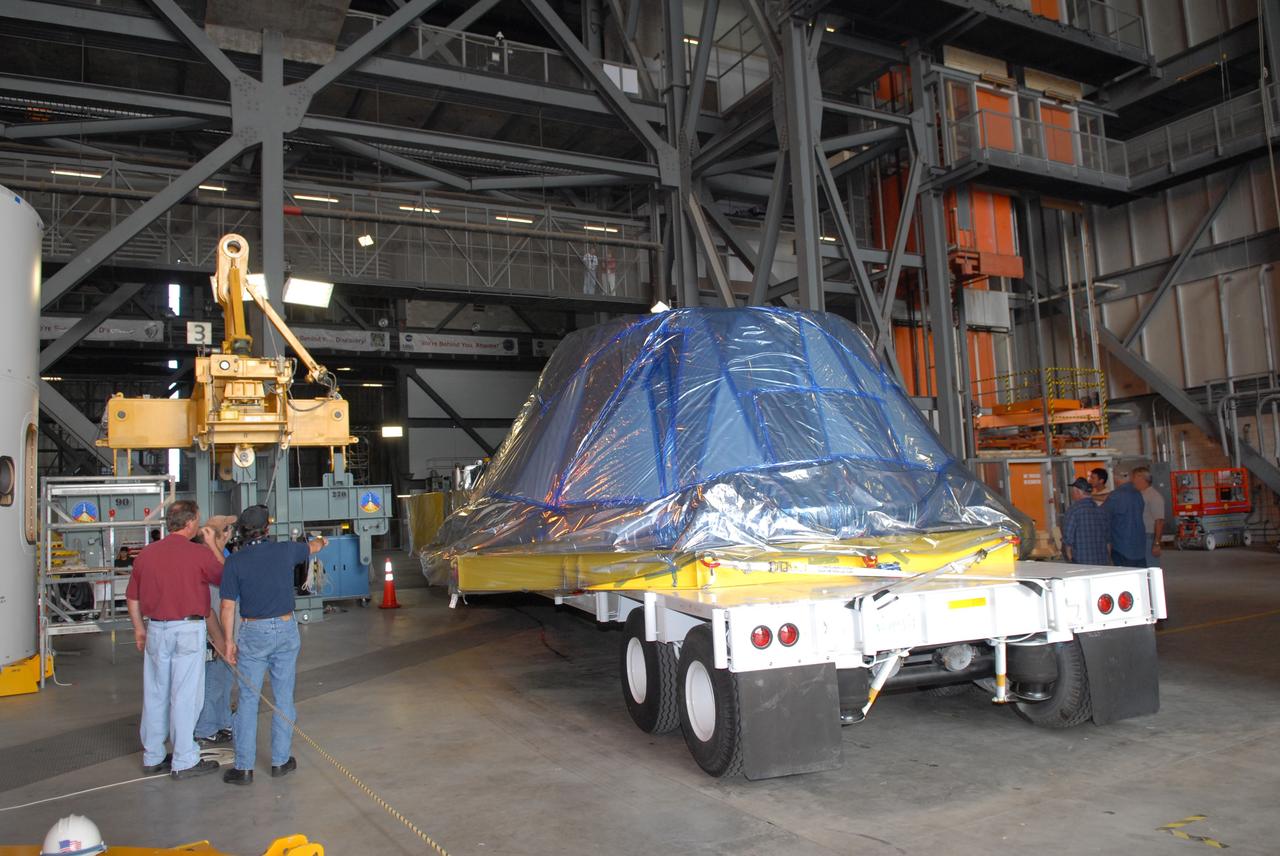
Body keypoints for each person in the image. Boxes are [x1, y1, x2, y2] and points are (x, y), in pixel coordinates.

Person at [220, 506, 327, 785]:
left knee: (247, 698)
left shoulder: (234, 562)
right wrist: (322, 541)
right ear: (267, 529)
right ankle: (280, 761)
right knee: (283, 697)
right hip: (285, 627)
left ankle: (243, 768)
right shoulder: (286, 550)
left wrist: (229, 641)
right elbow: (314, 547)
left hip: (253, 631)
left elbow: (228, 607)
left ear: (241, 532)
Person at [125, 500, 225, 780]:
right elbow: (224, 576)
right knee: (185, 695)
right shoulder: (197, 554)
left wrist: (138, 629)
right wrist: (212, 544)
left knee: (156, 693)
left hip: (156, 629)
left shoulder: (146, 554)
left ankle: (153, 754)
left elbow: (132, 597)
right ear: (192, 522)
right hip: (188, 630)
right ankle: (184, 758)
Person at [195, 515, 238, 748]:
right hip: (218, 623)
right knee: (213, 675)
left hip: (229, 621)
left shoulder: (225, 554)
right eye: (227, 529)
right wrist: (221, 638)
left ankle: (222, 721)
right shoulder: (209, 558)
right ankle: (205, 726)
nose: (231, 532)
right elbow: (213, 604)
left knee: (225, 674)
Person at [1104, 470, 1148, 568]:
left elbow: (1103, 514)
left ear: (1116, 478)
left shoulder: (1116, 495)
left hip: (1121, 544)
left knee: (1126, 577)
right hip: (1139, 544)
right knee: (1140, 576)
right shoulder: (1138, 494)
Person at [1061, 478, 1109, 565]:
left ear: (1078, 492)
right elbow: (1108, 539)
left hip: (1081, 562)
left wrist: (1070, 559)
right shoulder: (1101, 510)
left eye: (1073, 491)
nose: (1072, 494)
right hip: (1102, 561)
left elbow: (1068, 540)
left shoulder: (1073, 511)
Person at [1132, 466, 1165, 567]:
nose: (1132, 480)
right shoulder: (1139, 494)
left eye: (1133, 477)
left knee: (1150, 568)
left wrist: (1156, 544)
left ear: (1141, 478)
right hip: (1139, 537)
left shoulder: (1154, 496)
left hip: (1148, 538)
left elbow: (1159, 521)